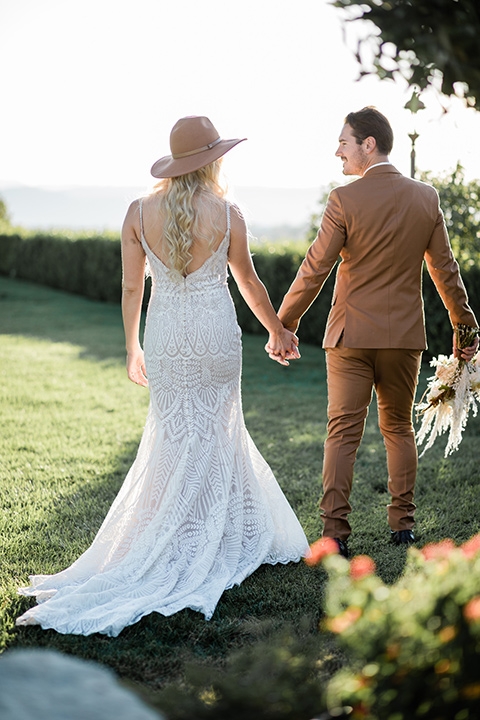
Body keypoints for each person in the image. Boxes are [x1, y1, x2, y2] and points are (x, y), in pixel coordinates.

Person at [16, 116, 308, 636]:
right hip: (217, 338)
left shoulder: (137, 211)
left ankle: (177, 535)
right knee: (219, 432)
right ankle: (213, 537)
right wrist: (278, 331)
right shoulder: (228, 213)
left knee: (175, 435)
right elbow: (250, 283)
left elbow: (132, 290)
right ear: (213, 160)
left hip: (168, 337)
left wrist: (131, 344)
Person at [268, 106, 478, 558]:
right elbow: (445, 270)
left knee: (343, 431)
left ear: (369, 144)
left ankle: (335, 535)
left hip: (350, 337)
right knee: (398, 428)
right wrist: (465, 326)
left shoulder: (344, 200)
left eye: (343, 142)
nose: (337, 151)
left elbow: (315, 268)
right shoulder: (426, 198)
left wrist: (283, 323)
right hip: (404, 337)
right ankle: (403, 526)